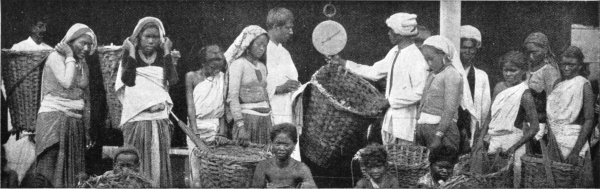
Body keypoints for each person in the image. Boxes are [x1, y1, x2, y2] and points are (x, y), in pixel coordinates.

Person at [332, 13, 429, 146]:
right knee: (389, 158)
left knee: (403, 160)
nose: (388, 34)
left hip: (407, 120)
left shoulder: (416, 58)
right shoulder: (395, 51)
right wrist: (344, 63)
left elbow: (420, 92)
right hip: (390, 120)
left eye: (391, 31)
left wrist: (390, 101)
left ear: (399, 34)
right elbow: (374, 72)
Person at [29, 23, 96, 187]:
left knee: (72, 171)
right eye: (82, 43)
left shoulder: (82, 63)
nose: (86, 48)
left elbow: (85, 96)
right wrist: (69, 55)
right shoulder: (55, 57)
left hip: (75, 122)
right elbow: (66, 82)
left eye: (89, 44)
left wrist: (86, 129)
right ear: (70, 41)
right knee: (49, 168)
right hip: (53, 119)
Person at [115, 16, 178, 187]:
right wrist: (132, 52)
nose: (151, 41)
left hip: (158, 119)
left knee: (158, 163)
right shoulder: (130, 56)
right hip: (137, 118)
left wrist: (166, 52)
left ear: (161, 39)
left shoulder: (163, 57)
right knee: (136, 163)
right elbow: (128, 82)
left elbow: (171, 80)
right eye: (147, 36)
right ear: (139, 37)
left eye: (155, 37)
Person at [478, 51, 539, 188]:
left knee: (511, 181)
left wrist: (513, 148)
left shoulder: (525, 93)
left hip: (513, 141)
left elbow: (535, 127)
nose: (508, 74)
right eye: (505, 70)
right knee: (492, 180)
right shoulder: (499, 87)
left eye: (513, 70)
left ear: (523, 71)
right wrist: (481, 139)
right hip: (494, 142)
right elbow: (490, 115)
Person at [545, 46, 594, 187]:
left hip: (573, 141)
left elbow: (589, 120)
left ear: (579, 66)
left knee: (572, 181)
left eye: (571, 65)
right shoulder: (557, 84)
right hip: (554, 140)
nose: (566, 68)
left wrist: (575, 151)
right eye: (563, 64)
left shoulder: (583, 85)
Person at [184, 44, 229, 184]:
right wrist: (194, 132)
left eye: (219, 62)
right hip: (195, 127)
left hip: (214, 128)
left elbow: (221, 108)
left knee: (215, 171)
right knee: (196, 171)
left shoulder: (222, 78)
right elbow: (190, 106)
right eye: (212, 63)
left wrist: (221, 133)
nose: (215, 68)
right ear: (203, 63)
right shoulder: (191, 77)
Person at [264, 7, 303, 161]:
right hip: (271, 112)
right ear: (275, 27)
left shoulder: (284, 52)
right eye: (288, 28)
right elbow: (255, 83)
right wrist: (279, 88)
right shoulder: (262, 49)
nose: (291, 32)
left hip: (287, 111)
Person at [415, 35, 463, 157]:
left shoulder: (451, 75)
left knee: (441, 165)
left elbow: (450, 108)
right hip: (424, 129)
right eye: (426, 59)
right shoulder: (432, 75)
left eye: (431, 59)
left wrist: (439, 135)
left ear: (444, 55)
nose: (429, 63)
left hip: (441, 130)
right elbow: (424, 101)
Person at [225, 25, 272, 145]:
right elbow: (233, 97)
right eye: (259, 44)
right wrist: (241, 126)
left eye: (265, 46)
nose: (262, 48)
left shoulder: (262, 66)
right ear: (248, 44)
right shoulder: (238, 64)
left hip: (265, 121)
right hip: (247, 121)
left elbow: (265, 93)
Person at [522, 32, 561, 153]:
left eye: (535, 52)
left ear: (544, 50)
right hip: (522, 122)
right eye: (528, 53)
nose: (531, 56)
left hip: (540, 126)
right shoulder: (526, 69)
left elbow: (553, 104)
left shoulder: (549, 71)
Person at [457, 25, 491, 154]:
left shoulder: (481, 76)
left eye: (471, 48)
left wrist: (480, 131)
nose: (467, 51)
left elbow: (485, 107)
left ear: (476, 50)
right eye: (464, 47)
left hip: (471, 128)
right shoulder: (452, 72)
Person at [251, 123, 316, 188]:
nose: (281, 148)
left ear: (294, 144)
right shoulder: (263, 166)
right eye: (278, 144)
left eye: (286, 145)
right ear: (272, 143)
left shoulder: (301, 168)